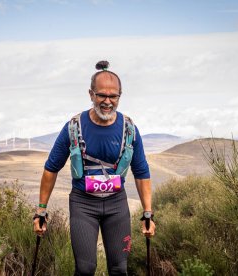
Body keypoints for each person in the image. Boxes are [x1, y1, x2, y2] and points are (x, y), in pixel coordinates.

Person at [33, 60, 155, 275]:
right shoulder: (74, 127)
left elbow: (142, 172)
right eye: (101, 95)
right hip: (83, 204)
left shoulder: (129, 129)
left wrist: (148, 214)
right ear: (91, 94)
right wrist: (41, 210)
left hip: (116, 204)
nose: (107, 101)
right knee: (85, 268)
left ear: (120, 96)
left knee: (119, 268)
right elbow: (51, 168)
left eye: (113, 96)